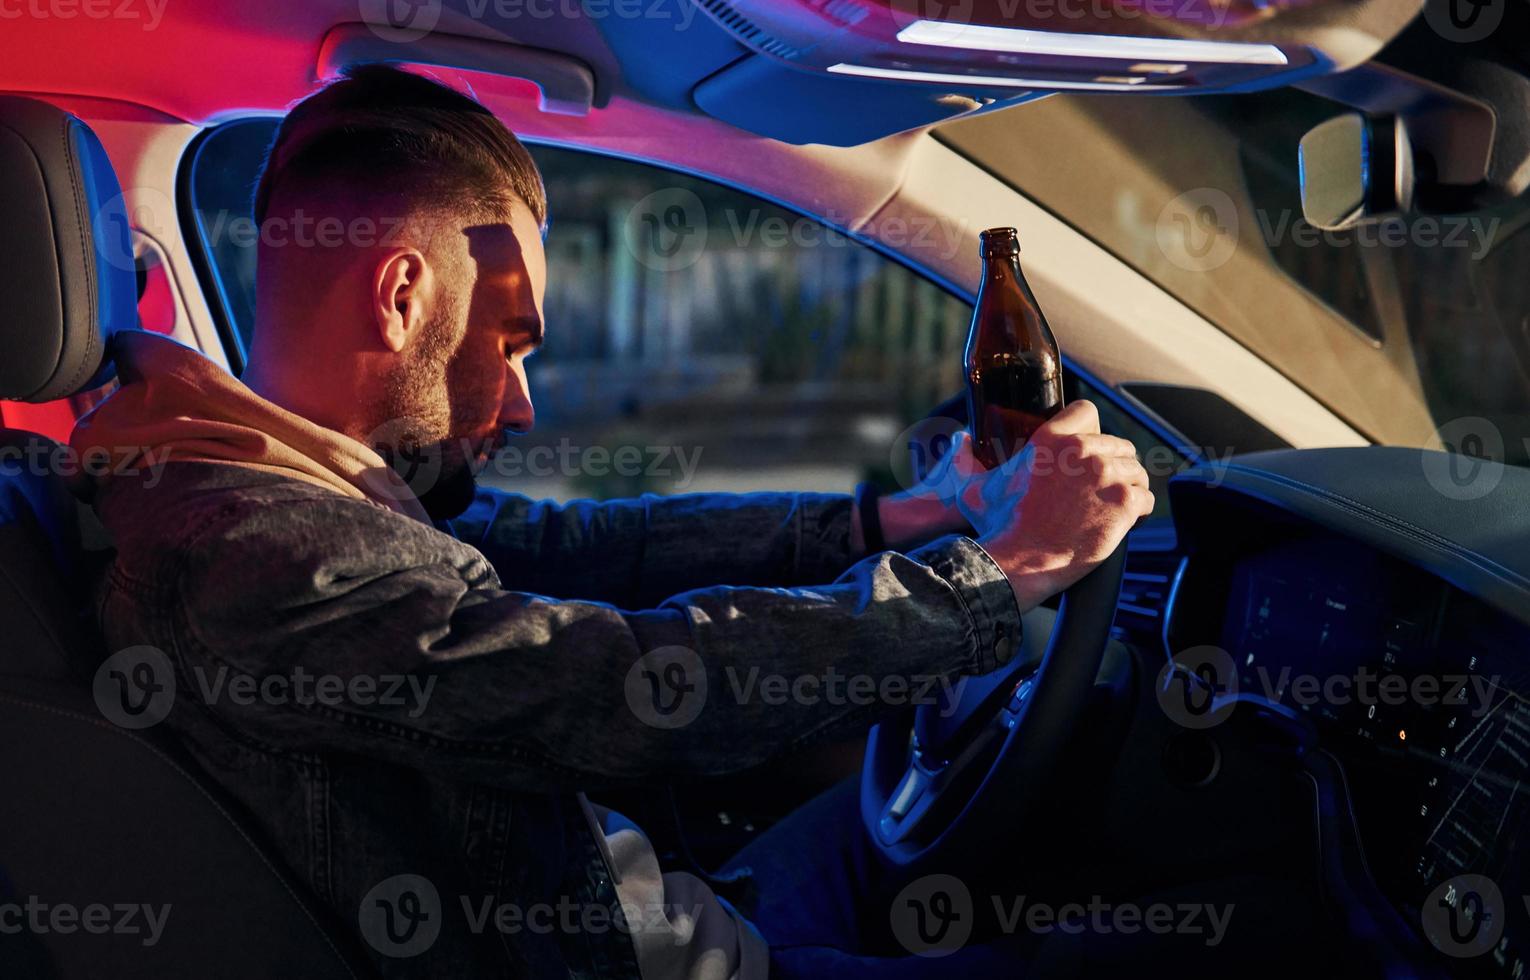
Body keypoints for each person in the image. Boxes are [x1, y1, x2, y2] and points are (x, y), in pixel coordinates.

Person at [70, 65, 1154, 978]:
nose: (527, 399)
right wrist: (1011, 568)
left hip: (636, 902)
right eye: (511, 340)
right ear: (400, 296)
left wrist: (905, 516)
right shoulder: (249, 549)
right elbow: (630, 685)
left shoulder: (296, 488)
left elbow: (593, 549)